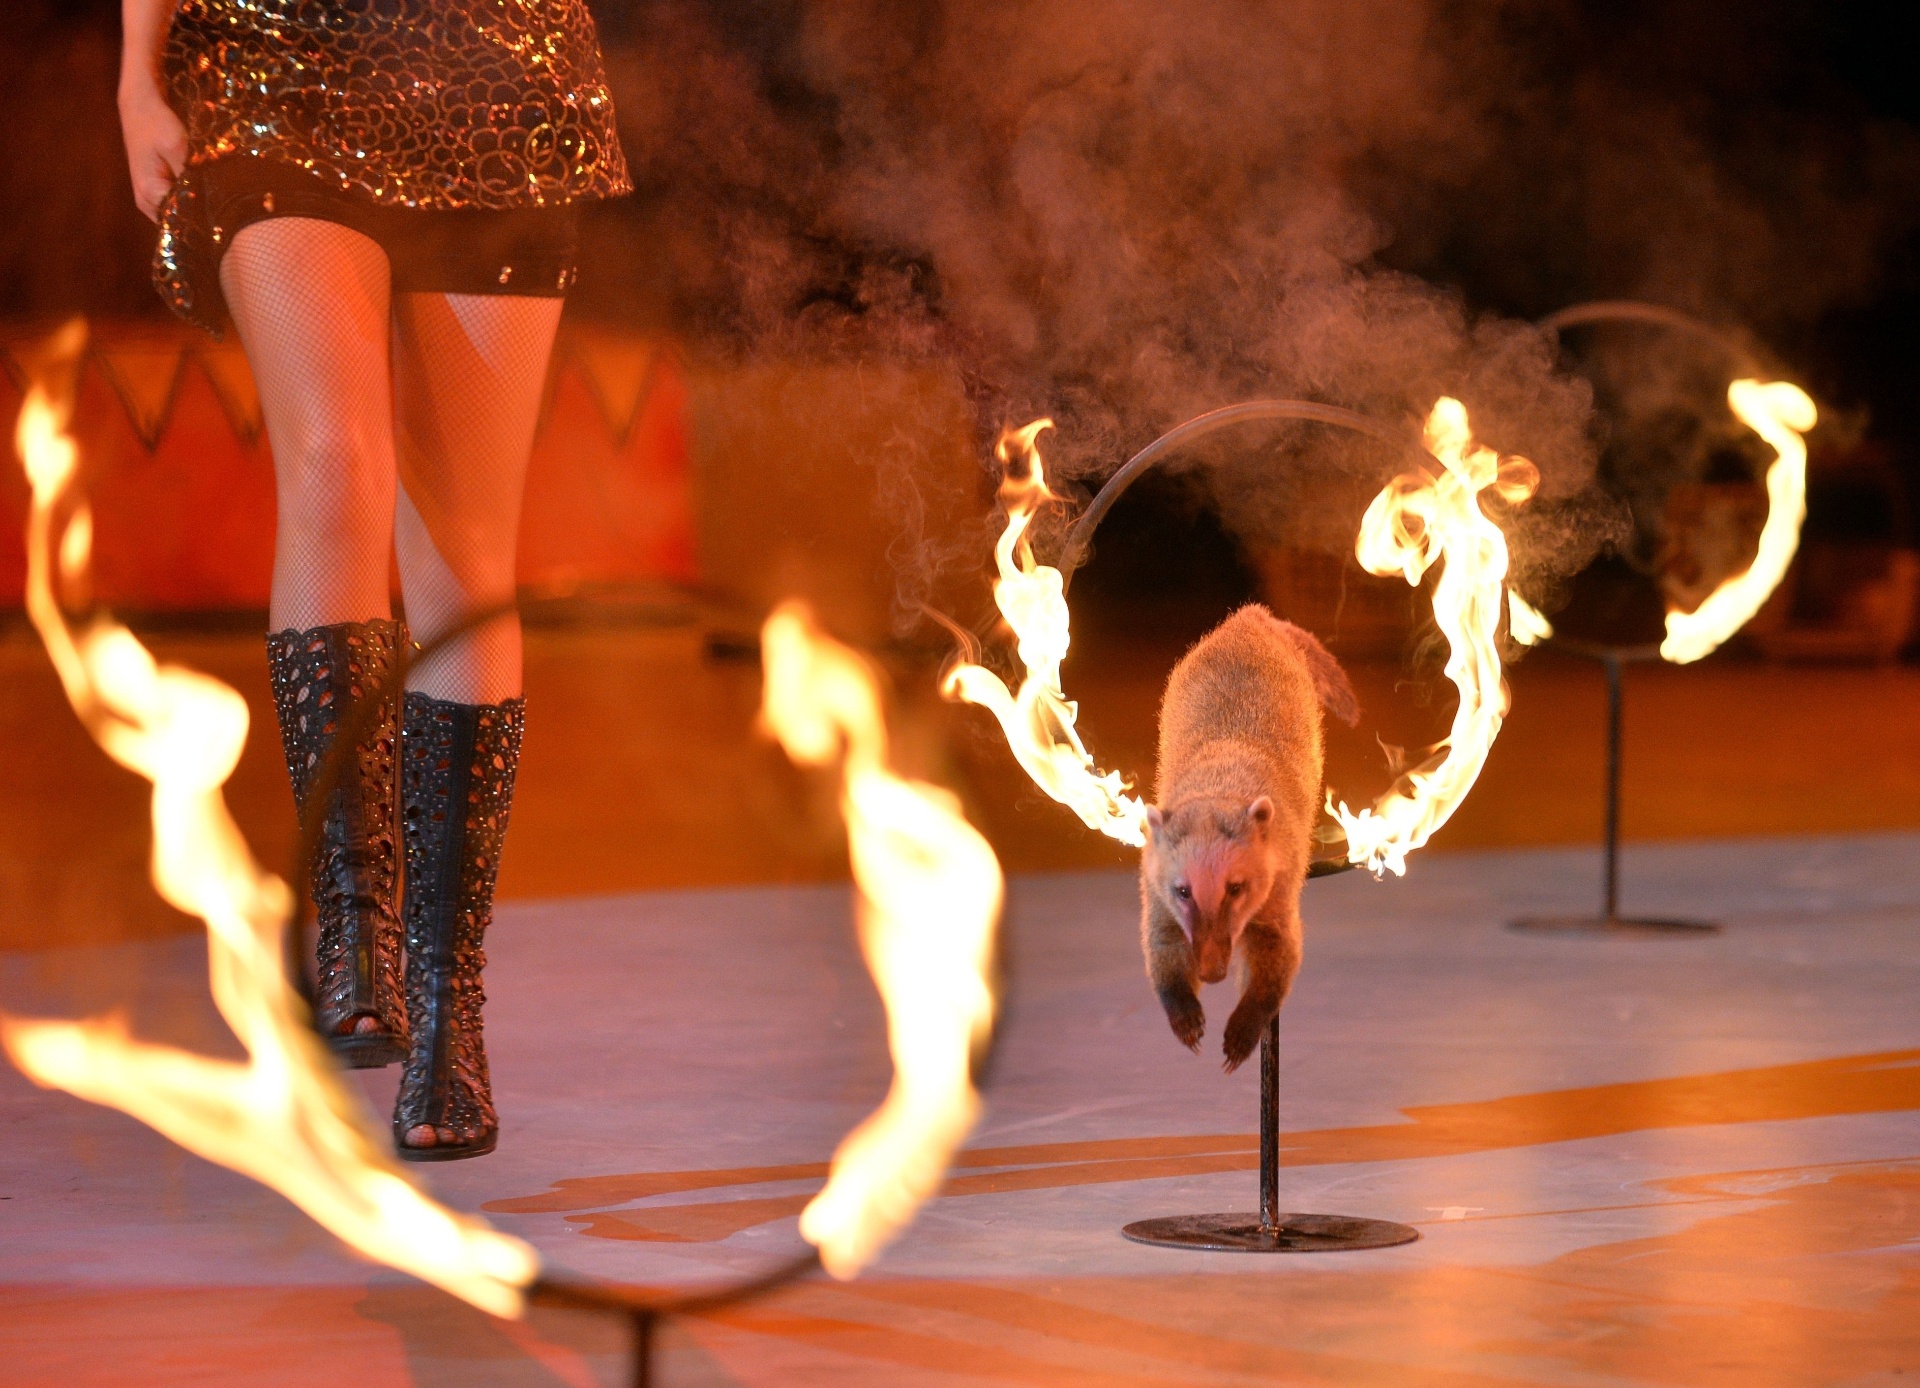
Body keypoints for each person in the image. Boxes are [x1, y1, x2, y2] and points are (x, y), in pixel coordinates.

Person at [116, 0, 631, 1160]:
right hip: (271, 61)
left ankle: (450, 1010)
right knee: (337, 456)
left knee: (462, 552)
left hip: (499, 69)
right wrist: (135, 77)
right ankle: (356, 921)